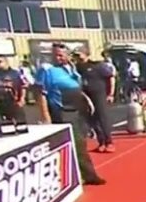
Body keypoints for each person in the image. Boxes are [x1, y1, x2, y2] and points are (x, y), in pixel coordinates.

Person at [32, 44, 105, 185]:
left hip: (77, 109)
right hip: (61, 110)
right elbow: (39, 93)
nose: (57, 58)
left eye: (61, 55)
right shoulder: (46, 70)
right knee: (75, 144)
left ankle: (81, 174)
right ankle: (87, 175)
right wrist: (45, 116)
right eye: (55, 55)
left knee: (81, 142)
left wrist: (86, 100)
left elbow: (75, 86)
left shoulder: (70, 69)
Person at [74, 50, 116, 153]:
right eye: (76, 56)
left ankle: (109, 142)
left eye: (79, 55)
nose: (78, 58)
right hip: (86, 96)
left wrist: (111, 94)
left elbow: (111, 78)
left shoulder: (97, 66)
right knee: (92, 119)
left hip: (99, 95)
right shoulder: (77, 68)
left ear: (86, 54)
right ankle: (101, 142)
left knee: (102, 118)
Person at [0, 55, 28, 124]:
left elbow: (23, 86)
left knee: (19, 122)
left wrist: (22, 98)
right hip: (2, 103)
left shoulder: (15, 73)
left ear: (6, 62)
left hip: (14, 101)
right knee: (7, 123)